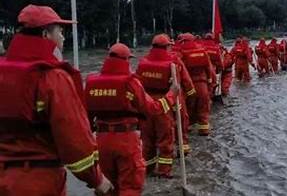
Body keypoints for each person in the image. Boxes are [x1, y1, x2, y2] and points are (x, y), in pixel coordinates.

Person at [0, 5, 112, 195]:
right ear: (45, 34)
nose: (63, 37)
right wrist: (97, 179)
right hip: (39, 181)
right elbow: (74, 141)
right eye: (59, 31)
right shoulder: (52, 77)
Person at [85, 43, 175, 195]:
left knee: (106, 187)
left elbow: (85, 118)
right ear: (126, 60)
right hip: (126, 140)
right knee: (130, 185)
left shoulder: (91, 82)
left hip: (101, 141)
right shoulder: (130, 82)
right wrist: (172, 94)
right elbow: (153, 109)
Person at [136, 34, 195, 178]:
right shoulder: (173, 62)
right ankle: (164, 171)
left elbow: (136, 84)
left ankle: (147, 170)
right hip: (165, 103)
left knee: (147, 140)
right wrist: (190, 95)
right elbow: (183, 83)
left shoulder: (142, 62)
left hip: (147, 104)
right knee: (166, 139)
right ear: (167, 46)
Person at [177, 33, 214, 136]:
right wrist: (211, 82)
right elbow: (209, 69)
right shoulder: (202, 51)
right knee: (203, 107)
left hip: (188, 86)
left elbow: (179, 71)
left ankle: (187, 127)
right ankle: (204, 129)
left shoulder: (181, 52)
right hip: (202, 84)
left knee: (188, 108)